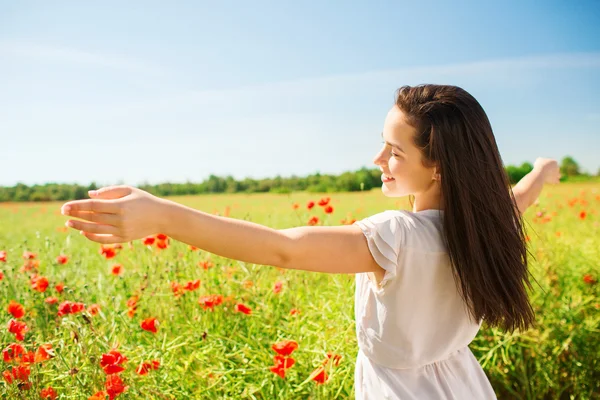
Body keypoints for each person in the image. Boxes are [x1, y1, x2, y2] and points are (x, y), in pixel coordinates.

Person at [61, 84, 560, 399]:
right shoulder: (487, 224)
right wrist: (542, 169)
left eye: (393, 151)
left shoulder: (397, 235)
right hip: (465, 386)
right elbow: (521, 196)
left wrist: (164, 214)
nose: (376, 160)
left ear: (438, 164)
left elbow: (285, 248)